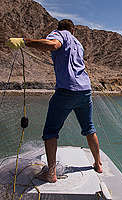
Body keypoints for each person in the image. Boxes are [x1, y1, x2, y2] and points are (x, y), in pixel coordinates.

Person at [6, 19, 102, 183]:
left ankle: (50, 173)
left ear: (60, 29)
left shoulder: (60, 34)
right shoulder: (79, 44)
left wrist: (25, 41)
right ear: (73, 30)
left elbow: (53, 45)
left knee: (50, 132)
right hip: (85, 90)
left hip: (66, 91)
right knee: (89, 128)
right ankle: (98, 164)